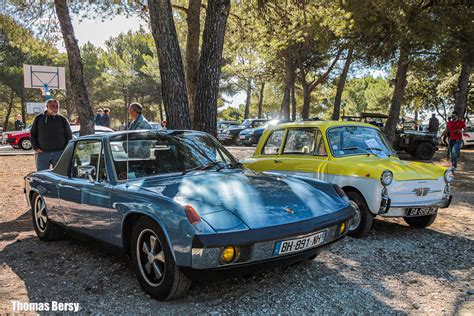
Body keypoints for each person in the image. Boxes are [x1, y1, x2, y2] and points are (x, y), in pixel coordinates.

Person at [30, 99, 72, 171]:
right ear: (47, 106)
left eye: (57, 106)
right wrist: (36, 148)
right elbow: (33, 134)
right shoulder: (39, 118)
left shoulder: (62, 119)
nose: (55, 108)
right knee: (42, 176)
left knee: (60, 175)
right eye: (52, 106)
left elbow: (69, 135)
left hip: (59, 153)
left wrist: (65, 150)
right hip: (43, 154)